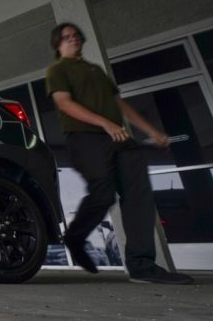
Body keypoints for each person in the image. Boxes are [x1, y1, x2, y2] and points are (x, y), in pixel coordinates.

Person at [45, 23, 193, 285]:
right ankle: (75, 237)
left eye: (76, 36)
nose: (73, 40)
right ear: (58, 44)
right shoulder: (57, 70)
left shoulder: (95, 70)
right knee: (103, 194)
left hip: (120, 138)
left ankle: (142, 266)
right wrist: (104, 123)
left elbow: (118, 104)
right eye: (66, 38)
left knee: (139, 197)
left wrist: (151, 130)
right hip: (85, 139)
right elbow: (64, 103)